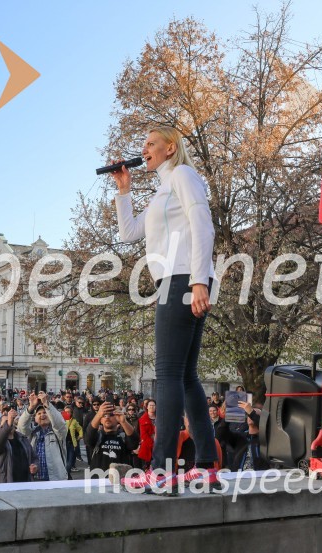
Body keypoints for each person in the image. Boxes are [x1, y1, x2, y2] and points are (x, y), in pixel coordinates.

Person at [114, 126, 218, 490]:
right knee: (186, 376)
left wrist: (200, 278)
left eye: (150, 144)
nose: (144, 149)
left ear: (170, 148)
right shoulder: (161, 189)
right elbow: (129, 233)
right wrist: (123, 190)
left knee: (168, 374)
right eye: (142, 144)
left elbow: (202, 224)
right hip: (176, 278)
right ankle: (206, 463)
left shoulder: (183, 174)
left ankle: (162, 468)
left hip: (183, 277)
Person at [17, 392, 68, 481]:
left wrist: (46, 404)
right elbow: (21, 427)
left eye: (45, 412)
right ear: (35, 418)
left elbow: (59, 423)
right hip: (34, 479)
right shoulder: (32, 434)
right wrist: (31, 407)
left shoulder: (57, 433)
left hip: (54, 479)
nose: (42, 415)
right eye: (39, 413)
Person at [0, 406, 38, 483]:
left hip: (25, 483)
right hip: (4, 485)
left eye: (11, 421)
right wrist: (8, 424)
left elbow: (34, 458)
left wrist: (35, 466)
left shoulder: (23, 439)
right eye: (6, 422)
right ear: (0, 426)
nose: (9, 423)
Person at [85, 401, 139, 472]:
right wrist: (98, 415)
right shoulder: (98, 436)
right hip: (99, 479)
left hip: (120, 479)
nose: (107, 418)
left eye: (111, 415)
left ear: (117, 418)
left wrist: (124, 422)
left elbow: (134, 443)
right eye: (104, 415)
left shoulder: (122, 436)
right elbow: (88, 438)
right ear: (100, 420)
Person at [137, 399, 157, 469]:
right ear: (147, 407)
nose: (152, 407)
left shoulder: (160, 418)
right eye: (150, 405)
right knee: (146, 469)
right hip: (147, 447)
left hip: (159, 447)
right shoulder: (142, 419)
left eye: (153, 405)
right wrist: (153, 444)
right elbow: (143, 435)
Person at [64, 404, 84, 473]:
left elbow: (80, 429)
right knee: (64, 460)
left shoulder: (74, 421)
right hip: (63, 443)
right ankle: (66, 474)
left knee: (70, 461)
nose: (67, 413)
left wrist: (80, 436)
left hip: (72, 443)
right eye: (65, 412)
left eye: (68, 412)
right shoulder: (61, 420)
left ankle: (67, 472)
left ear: (71, 413)